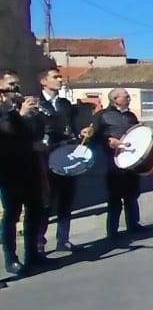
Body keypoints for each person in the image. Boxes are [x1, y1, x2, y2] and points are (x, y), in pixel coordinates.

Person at [35, 67, 86, 254]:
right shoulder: (36, 104)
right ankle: (39, 242)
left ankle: (63, 240)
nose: (60, 79)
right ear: (43, 82)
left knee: (66, 200)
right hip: (45, 159)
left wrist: (81, 132)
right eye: (55, 77)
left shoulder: (65, 104)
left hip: (66, 156)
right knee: (46, 203)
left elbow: (73, 126)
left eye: (60, 76)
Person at [0, 70, 43, 278]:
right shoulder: (3, 110)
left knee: (35, 210)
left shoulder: (20, 107)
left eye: (17, 85)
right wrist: (19, 115)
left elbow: (35, 134)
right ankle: (11, 258)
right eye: (11, 86)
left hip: (30, 167)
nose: (16, 90)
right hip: (9, 170)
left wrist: (34, 116)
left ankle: (33, 254)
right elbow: (6, 133)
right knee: (12, 215)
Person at [91, 88, 142, 239]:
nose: (129, 98)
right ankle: (112, 231)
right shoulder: (102, 116)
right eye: (125, 96)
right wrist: (107, 141)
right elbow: (93, 137)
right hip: (112, 161)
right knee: (115, 197)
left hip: (131, 159)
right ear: (115, 99)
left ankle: (133, 225)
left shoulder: (131, 115)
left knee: (132, 194)